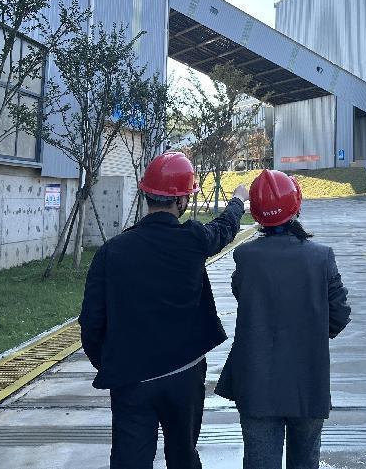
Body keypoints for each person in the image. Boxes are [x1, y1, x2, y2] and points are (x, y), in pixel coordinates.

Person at [79, 150, 250, 469]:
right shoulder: (194, 239)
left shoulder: (111, 252)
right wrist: (238, 200)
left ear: (146, 194)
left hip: (130, 380)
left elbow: (91, 323)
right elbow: (225, 228)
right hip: (185, 376)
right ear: (182, 200)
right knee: (183, 457)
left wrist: (112, 364)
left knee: (130, 462)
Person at [215, 169, 351, 469]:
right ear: (296, 206)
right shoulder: (321, 257)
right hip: (307, 382)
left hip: (257, 383)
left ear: (257, 214)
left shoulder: (246, 257)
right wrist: (310, 331)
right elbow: (339, 315)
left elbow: (243, 296)